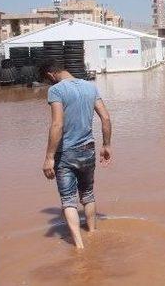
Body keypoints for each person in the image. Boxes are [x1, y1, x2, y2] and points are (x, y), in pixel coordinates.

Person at [39, 59, 112, 249]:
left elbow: (57, 124)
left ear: (50, 75)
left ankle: (79, 246)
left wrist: (49, 157)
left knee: (68, 200)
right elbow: (105, 117)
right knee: (88, 193)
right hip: (88, 149)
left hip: (66, 153)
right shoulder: (90, 87)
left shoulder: (56, 90)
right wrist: (106, 145)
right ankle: (93, 234)